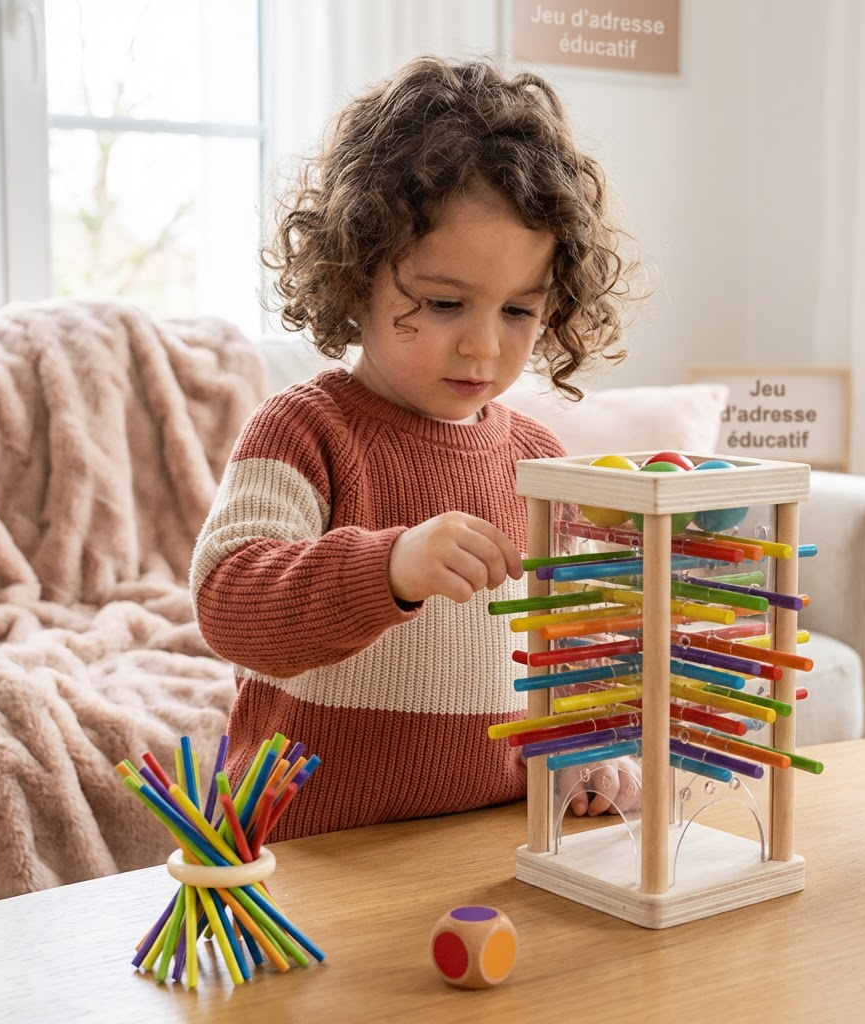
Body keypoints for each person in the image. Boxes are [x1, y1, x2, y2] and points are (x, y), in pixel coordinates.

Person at [191, 55, 639, 841]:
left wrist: (591, 750)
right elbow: (230, 605)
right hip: (308, 849)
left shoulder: (540, 460)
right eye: (442, 303)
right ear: (353, 274)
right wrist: (387, 569)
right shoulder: (302, 430)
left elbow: (570, 644)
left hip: (488, 841)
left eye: (518, 311)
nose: (482, 346)